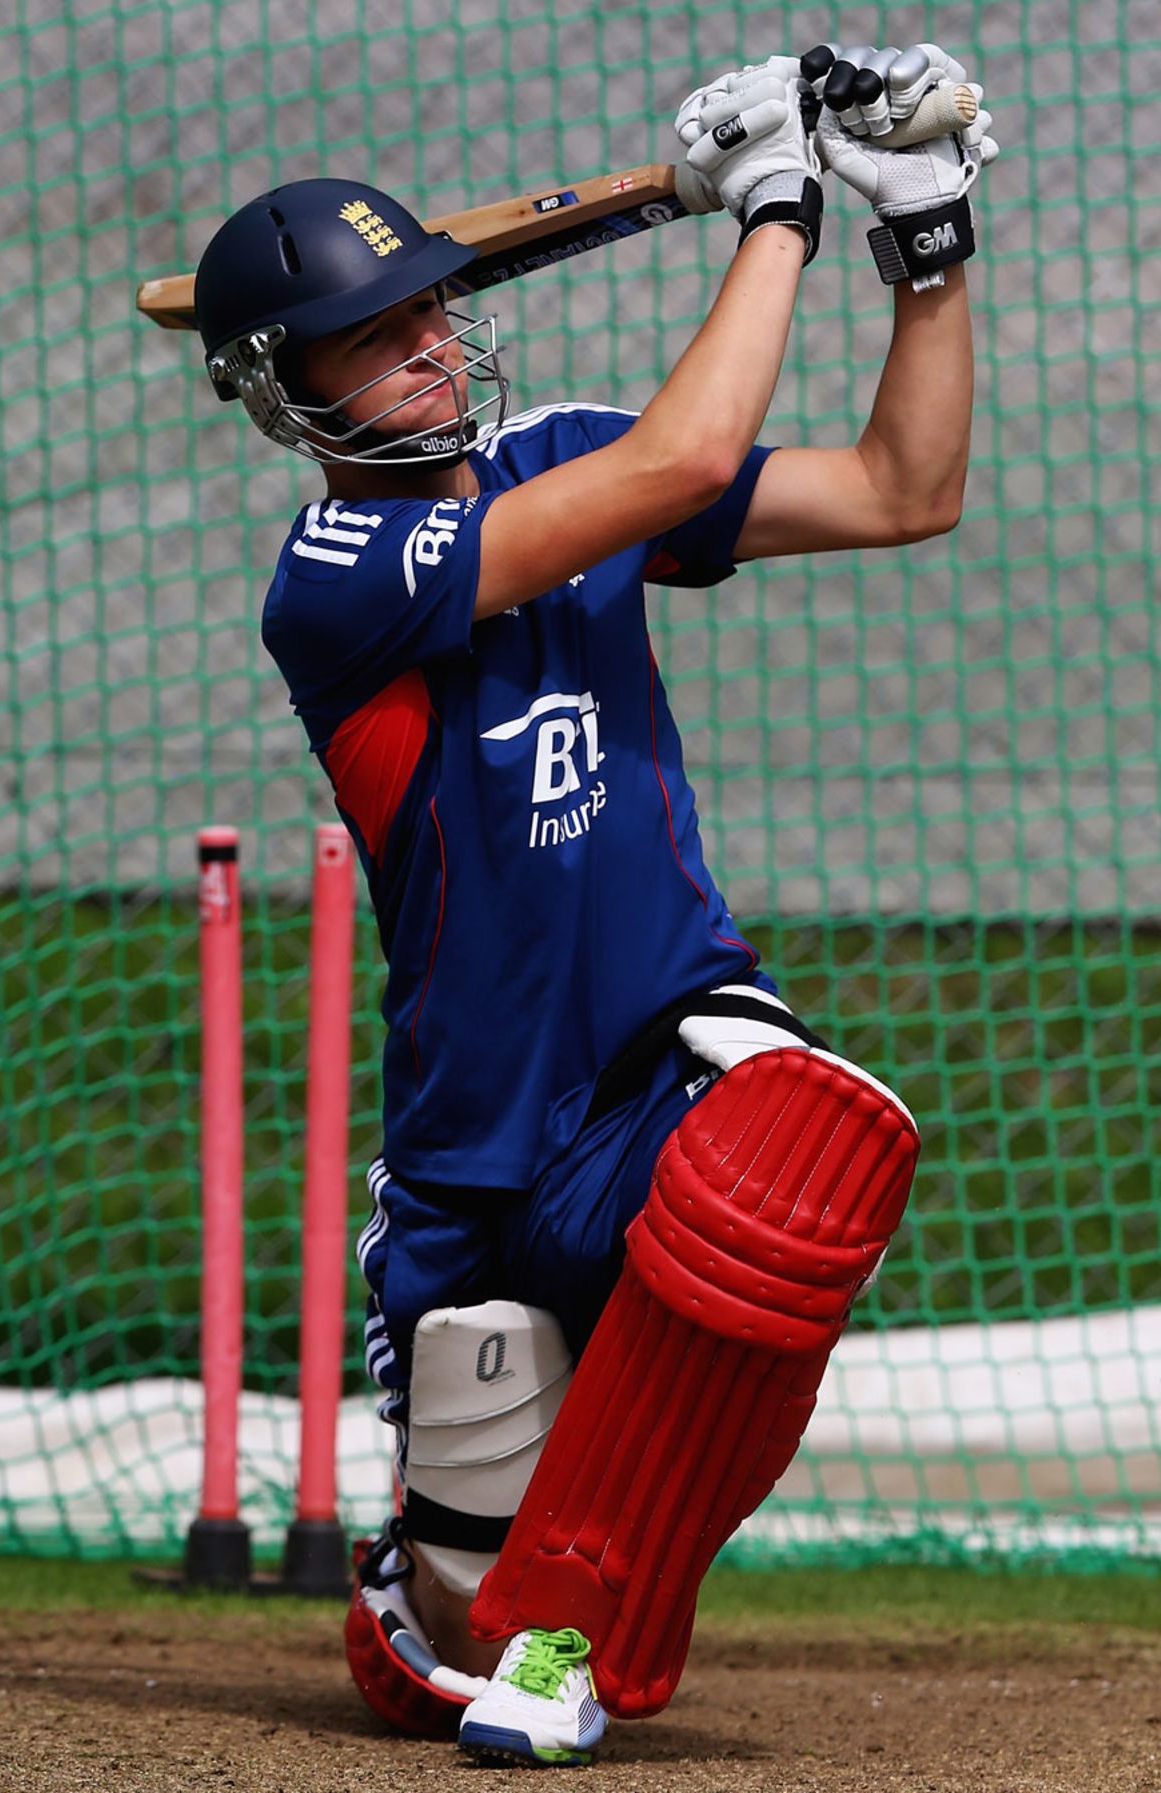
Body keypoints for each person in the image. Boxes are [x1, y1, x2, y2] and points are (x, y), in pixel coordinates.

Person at [193, 41, 996, 1767]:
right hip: (482, 1128)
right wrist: (773, 204)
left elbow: (899, 489)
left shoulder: (557, 453)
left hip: (658, 1048)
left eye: (431, 307)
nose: (429, 338)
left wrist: (920, 234)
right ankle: (453, 1599)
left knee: (796, 1154)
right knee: (444, 1635)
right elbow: (672, 460)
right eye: (375, 330)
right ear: (289, 393)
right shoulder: (332, 578)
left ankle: (578, 1620)